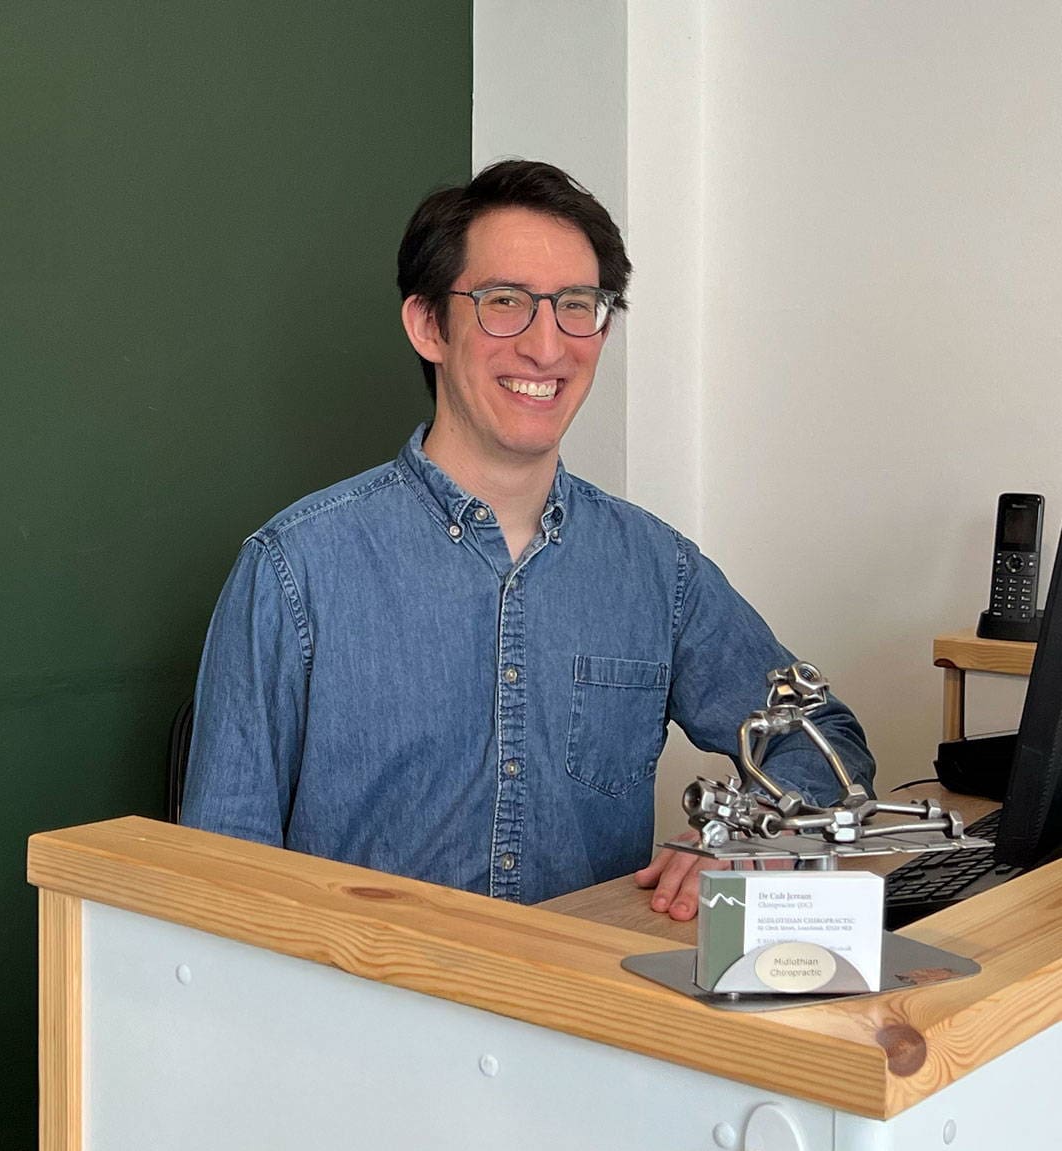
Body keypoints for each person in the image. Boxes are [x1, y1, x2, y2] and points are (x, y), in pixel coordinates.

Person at [181, 159, 874, 921]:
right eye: (504, 302)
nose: (548, 348)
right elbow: (223, 873)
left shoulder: (657, 570)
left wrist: (749, 830)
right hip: (363, 989)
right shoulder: (294, 568)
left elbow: (824, 739)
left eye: (578, 306)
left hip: (582, 987)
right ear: (428, 325)